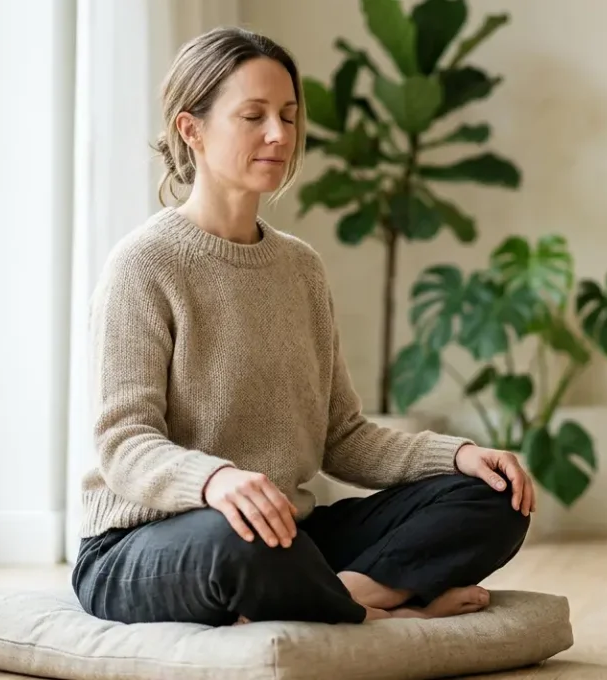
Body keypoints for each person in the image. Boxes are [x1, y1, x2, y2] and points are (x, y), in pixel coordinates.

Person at [69, 26, 534, 627]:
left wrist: (459, 455)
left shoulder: (299, 269)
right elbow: (124, 446)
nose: (279, 135)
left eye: (288, 116)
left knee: (495, 496)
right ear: (192, 130)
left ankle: (347, 599)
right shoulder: (143, 265)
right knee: (238, 539)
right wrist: (215, 482)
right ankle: (381, 611)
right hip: (150, 546)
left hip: (285, 535)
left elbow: (342, 436)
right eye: (254, 115)